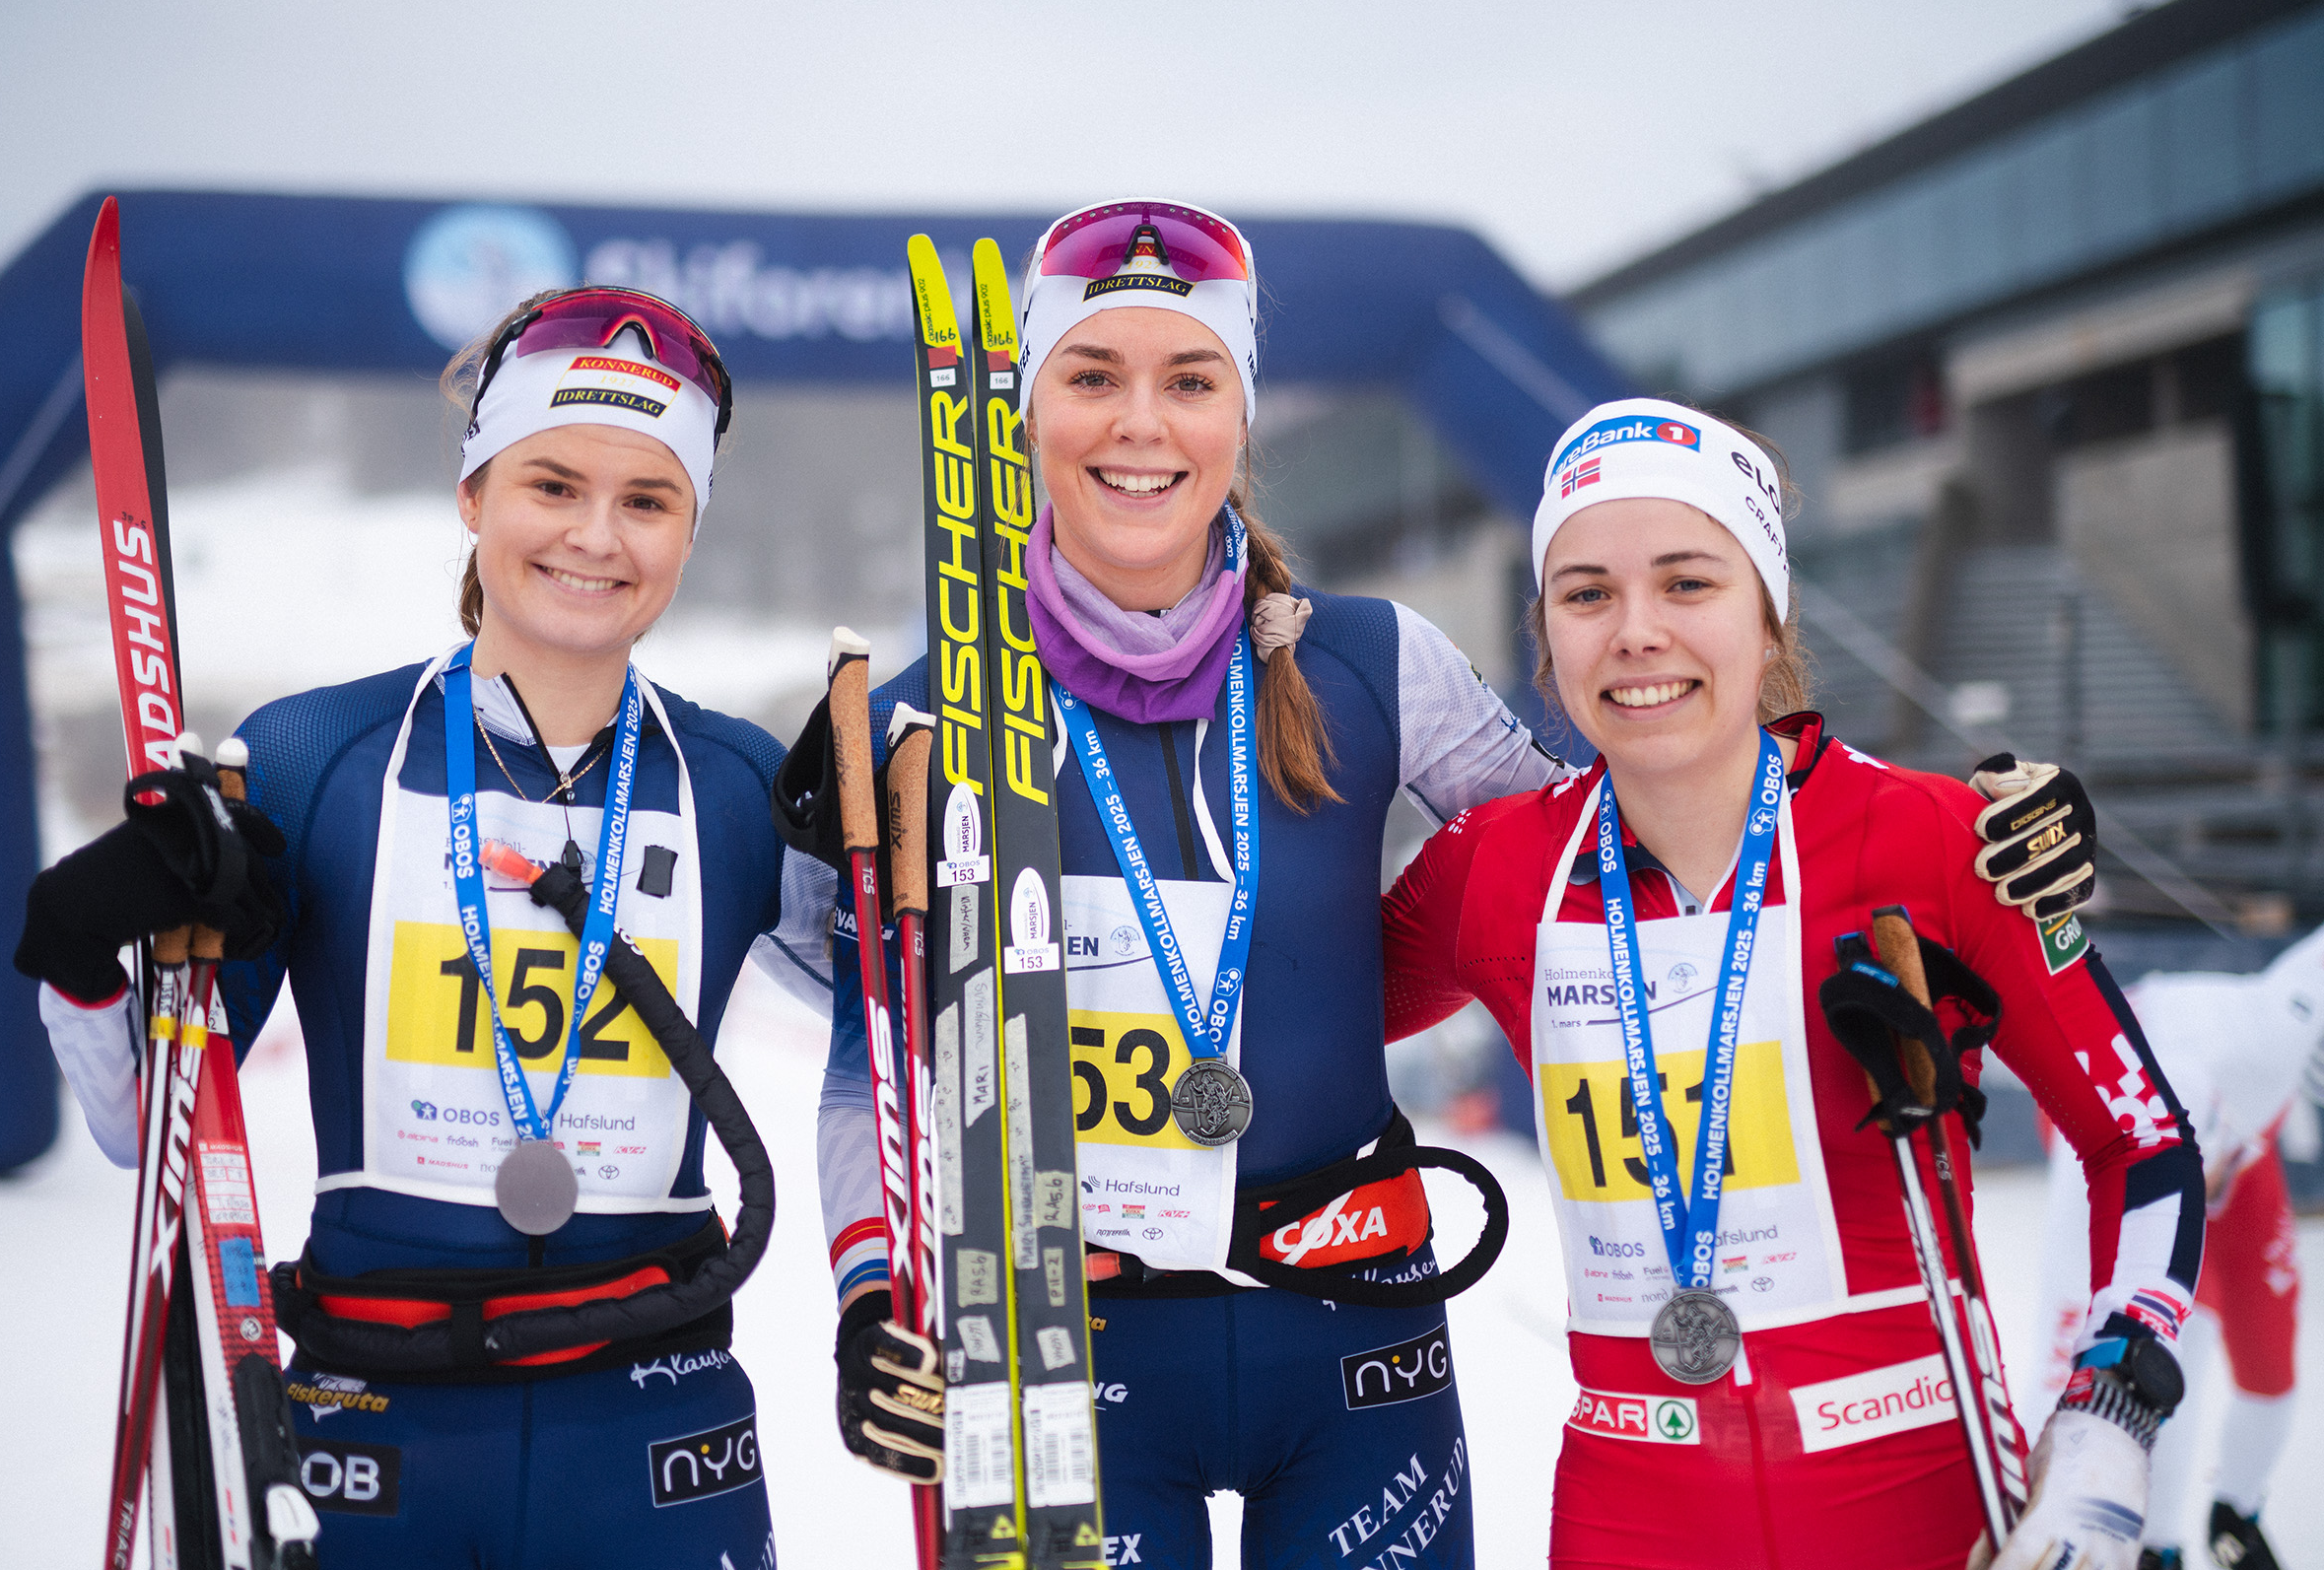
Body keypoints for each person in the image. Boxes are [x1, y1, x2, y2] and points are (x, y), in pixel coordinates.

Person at [16, 287, 835, 1568]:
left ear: (689, 531)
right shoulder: (313, 756)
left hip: (656, 1431)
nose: (595, 536)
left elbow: (927, 1053)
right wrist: (81, 948)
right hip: (375, 1427)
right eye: (552, 485)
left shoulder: (740, 786)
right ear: (473, 494)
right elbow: (145, 1125)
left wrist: (932, 853)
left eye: (647, 499)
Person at [809, 197, 1563, 1569]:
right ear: (1025, 410)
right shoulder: (924, 721)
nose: (1141, 425)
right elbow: (878, 1067)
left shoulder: (1372, 663)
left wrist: (1876, 816)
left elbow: (1584, 864)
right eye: (1093, 375)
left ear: (1241, 415)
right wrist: (873, 1292)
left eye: (1191, 380)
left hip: (1355, 1334)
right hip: (1064, 1348)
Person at [1378, 397, 2206, 1570]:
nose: (1636, 632)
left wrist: (2107, 1421)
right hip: (1629, 1513)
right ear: (1547, 638)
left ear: (1766, 621)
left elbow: (2143, 1143)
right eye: (1586, 594)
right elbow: (1289, 1016)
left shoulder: (1935, 840)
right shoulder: (1494, 871)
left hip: (1916, 1496)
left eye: (1687, 583)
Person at [2025, 927, 2324, 1570]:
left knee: (2268, 1345)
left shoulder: (2282, 1022)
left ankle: (2234, 1512)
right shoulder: (2134, 1118)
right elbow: (2064, 1342)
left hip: (2225, 1120)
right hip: (2112, 1123)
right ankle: (2155, 1543)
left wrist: (2238, 1498)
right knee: (2161, 1335)